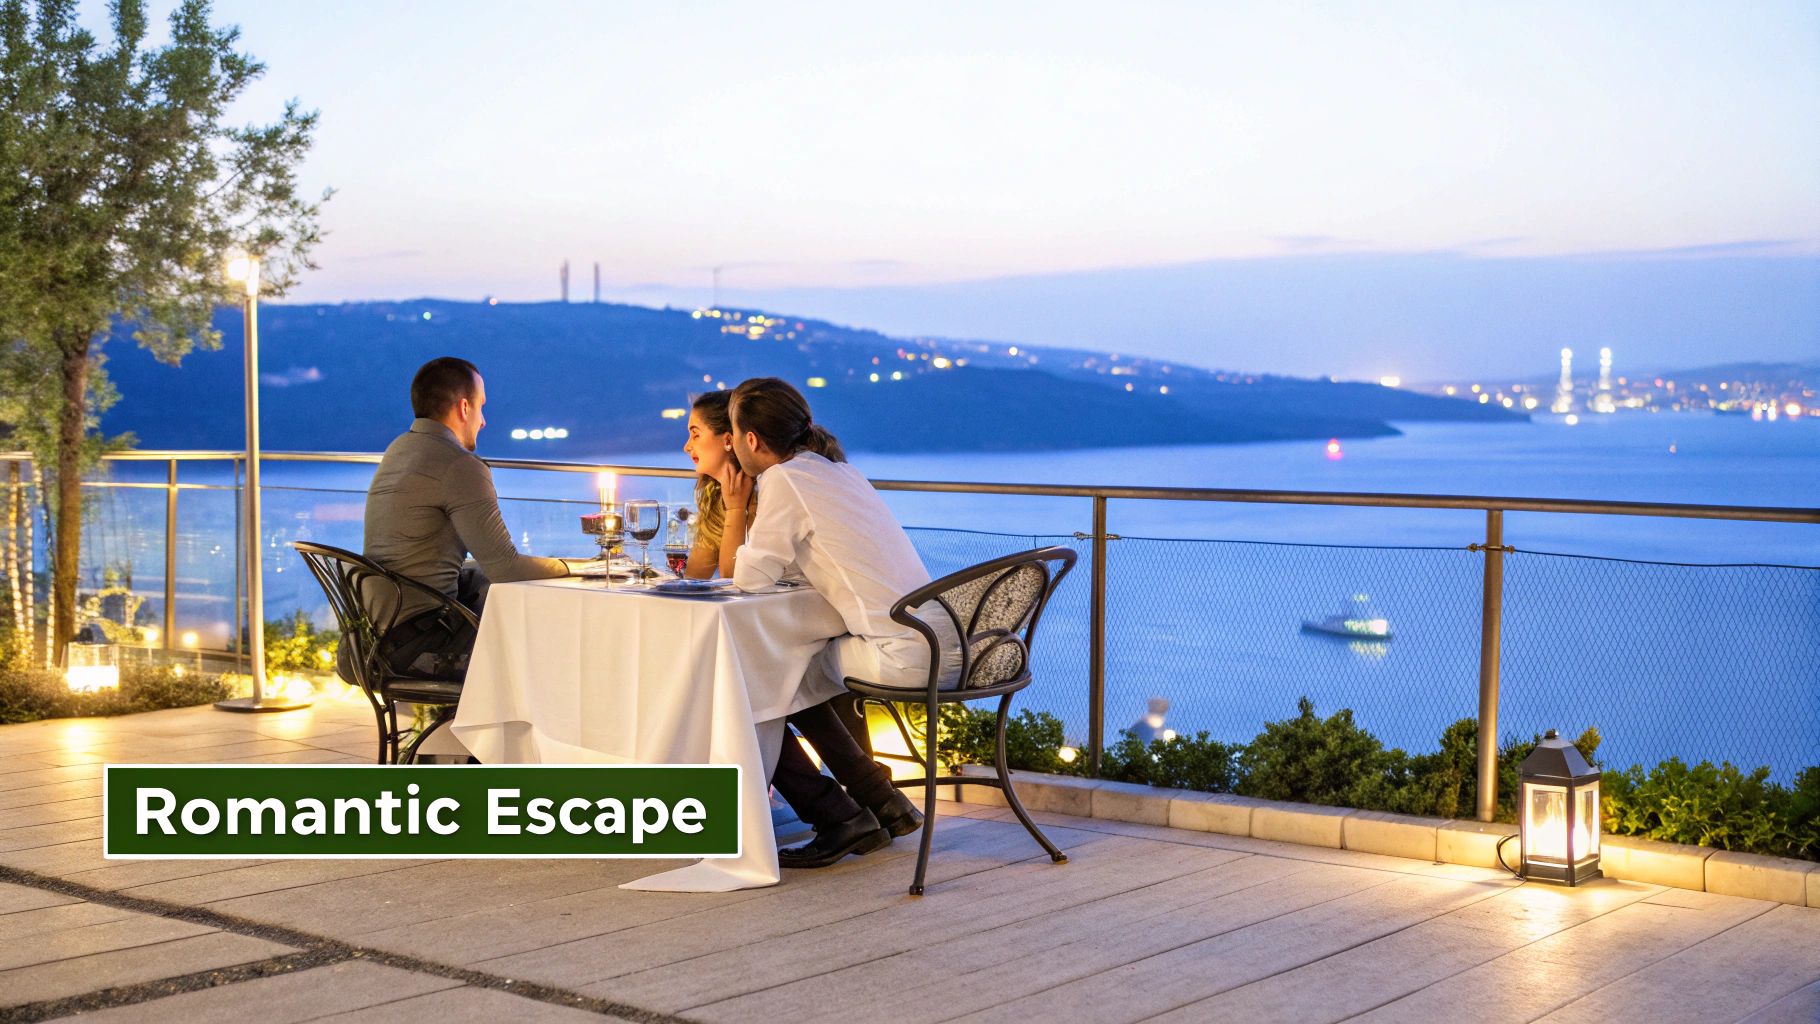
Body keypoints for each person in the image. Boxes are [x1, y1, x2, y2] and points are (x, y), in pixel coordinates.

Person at [727, 377, 929, 868]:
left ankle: (838, 816)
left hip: (902, 654)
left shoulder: (785, 479)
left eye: (733, 434)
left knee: (770, 675)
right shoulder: (839, 471)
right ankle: (879, 802)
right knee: (791, 668)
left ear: (751, 440)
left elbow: (749, 577)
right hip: (944, 641)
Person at [359, 356, 571, 679]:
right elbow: (507, 567)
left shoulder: (399, 450)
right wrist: (573, 567)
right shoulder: (459, 465)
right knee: (546, 638)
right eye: (481, 407)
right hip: (421, 645)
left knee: (487, 586)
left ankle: (490, 727)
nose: (483, 420)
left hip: (374, 636)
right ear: (463, 409)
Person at [680, 390, 754, 580]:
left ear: (728, 440)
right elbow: (694, 577)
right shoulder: (715, 495)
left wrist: (735, 509)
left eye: (695, 435)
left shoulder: (758, 494)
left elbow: (733, 579)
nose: (687, 446)